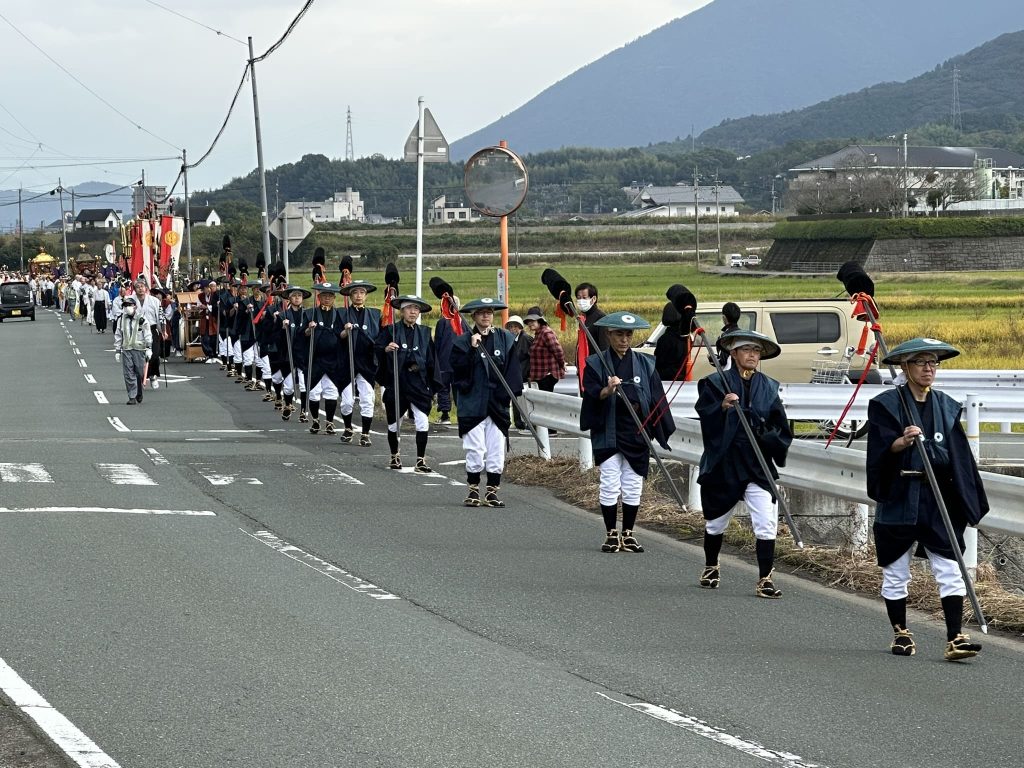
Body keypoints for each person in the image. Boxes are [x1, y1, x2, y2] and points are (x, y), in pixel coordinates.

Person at [867, 337, 988, 661]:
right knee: (896, 570)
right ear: (905, 367)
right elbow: (879, 450)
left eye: (933, 362)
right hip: (899, 495)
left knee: (950, 566)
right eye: (921, 362)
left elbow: (958, 457)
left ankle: (955, 637)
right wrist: (900, 443)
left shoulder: (947, 407)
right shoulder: (886, 405)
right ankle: (901, 632)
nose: (928, 368)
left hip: (937, 498)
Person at [696, 330, 792, 597]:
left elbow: (781, 427)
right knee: (715, 524)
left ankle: (765, 580)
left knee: (765, 523)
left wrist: (766, 433)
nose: (752, 355)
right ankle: (711, 565)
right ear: (734, 354)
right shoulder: (715, 383)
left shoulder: (769, 386)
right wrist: (722, 407)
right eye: (747, 350)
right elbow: (705, 415)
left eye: (756, 351)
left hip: (757, 463)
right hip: (725, 462)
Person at [580, 311, 675, 553]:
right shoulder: (595, 363)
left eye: (628, 334)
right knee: (610, 483)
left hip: (637, 430)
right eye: (619, 334)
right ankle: (611, 533)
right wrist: (608, 390)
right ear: (609, 335)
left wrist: (654, 423)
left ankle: (629, 534)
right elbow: (590, 393)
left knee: (633, 484)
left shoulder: (645, 363)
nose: (624, 339)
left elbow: (656, 398)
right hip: (608, 429)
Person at [451, 298, 523, 507]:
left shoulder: (505, 338)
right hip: (472, 401)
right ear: (473, 316)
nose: (486, 316)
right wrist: (472, 350)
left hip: (497, 402)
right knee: (475, 448)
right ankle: (473, 489)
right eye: (481, 313)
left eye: (489, 312)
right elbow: (458, 372)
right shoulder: (462, 341)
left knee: (496, 448)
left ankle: (492, 491)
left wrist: (505, 395)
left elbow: (513, 371)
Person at [376, 294, 438, 472]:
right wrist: (387, 349)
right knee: (395, 423)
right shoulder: (390, 331)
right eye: (410, 308)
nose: (413, 312)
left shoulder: (425, 333)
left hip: (418, 384)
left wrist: (431, 385)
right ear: (402, 311)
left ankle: (420, 460)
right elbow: (377, 349)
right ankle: (394, 455)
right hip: (398, 382)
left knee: (422, 421)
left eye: (416, 309)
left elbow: (432, 360)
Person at [339, 279, 381, 446]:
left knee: (367, 399)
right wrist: (345, 331)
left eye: (361, 293)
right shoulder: (342, 314)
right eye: (355, 292)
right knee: (347, 401)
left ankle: (365, 433)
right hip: (347, 361)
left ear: (366, 296)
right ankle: (348, 427)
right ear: (350, 295)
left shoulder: (375, 314)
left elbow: (379, 337)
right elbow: (337, 336)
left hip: (367, 362)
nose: (358, 296)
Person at [302, 282, 346, 435]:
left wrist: (347, 331)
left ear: (334, 298)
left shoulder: (340, 314)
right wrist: (309, 328)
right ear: (319, 297)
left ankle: (329, 422)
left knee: (331, 391)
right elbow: (303, 334)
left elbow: (342, 335)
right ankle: (315, 420)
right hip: (315, 359)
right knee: (314, 392)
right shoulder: (310, 314)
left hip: (333, 359)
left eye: (330, 296)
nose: (327, 298)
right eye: (324, 296)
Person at [113, 296, 152, 405]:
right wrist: (117, 350)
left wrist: (149, 348)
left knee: (139, 372)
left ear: (134, 306)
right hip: (126, 349)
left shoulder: (142, 319)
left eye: (129, 305)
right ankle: (132, 396)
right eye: (125, 306)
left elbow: (147, 334)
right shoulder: (121, 319)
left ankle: (139, 391)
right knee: (128, 373)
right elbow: (118, 334)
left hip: (139, 349)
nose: (127, 308)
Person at [574, 282, 608, 391]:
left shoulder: (600, 319)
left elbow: (604, 347)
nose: (581, 301)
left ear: (593, 299)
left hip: (596, 370)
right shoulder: (583, 318)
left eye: (584, 297)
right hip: (584, 368)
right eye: (578, 298)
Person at [523, 306, 565, 392]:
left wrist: (562, 365)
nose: (530, 324)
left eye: (532, 321)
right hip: (541, 376)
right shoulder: (538, 334)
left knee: (546, 402)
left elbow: (558, 351)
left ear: (540, 321)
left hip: (547, 376)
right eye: (528, 321)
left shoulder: (546, 333)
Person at [505, 314, 532, 431]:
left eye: (516, 326)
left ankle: (522, 421)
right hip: (514, 374)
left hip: (524, 375)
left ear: (520, 327)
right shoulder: (509, 339)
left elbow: (531, 356)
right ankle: (517, 421)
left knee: (522, 399)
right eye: (510, 326)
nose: (513, 329)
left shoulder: (526, 339)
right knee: (514, 398)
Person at [134, 280, 163, 389]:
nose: (140, 289)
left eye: (142, 286)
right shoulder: (131, 301)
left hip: (152, 328)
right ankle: (141, 376)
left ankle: (153, 375)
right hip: (138, 330)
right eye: (138, 287)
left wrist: (162, 330)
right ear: (135, 289)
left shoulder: (154, 301)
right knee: (140, 355)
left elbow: (160, 316)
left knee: (154, 354)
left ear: (146, 288)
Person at [715, 302, 742, 368]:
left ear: (724, 318)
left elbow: (723, 361)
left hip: (728, 375)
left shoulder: (724, 337)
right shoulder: (743, 335)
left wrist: (711, 358)